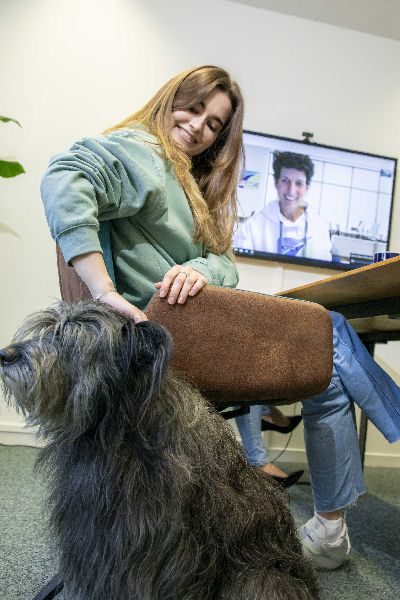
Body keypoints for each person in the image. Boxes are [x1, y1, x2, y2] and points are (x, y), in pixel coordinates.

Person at [40, 65, 400, 572]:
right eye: (192, 108)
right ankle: (338, 514)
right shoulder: (139, 151)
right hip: (162, 335)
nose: (198, 127)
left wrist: (199, 267)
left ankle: (329, 529)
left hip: (180, 326)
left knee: (328, 369)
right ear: (169, 100)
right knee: (330, 331)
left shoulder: (184, 177)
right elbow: (63, 176)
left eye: (213, 124)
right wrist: (103, 290)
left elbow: (224, 263)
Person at [234, 151, 332, 261]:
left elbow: (324, 267)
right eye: (285, 181)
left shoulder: (319, 227)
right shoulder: (253, 226)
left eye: (299, 183)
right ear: (276, 183)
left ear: (306, 188)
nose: (291, 190)